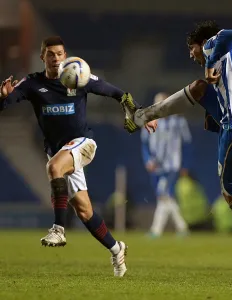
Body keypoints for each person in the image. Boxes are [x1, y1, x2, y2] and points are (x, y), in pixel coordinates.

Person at [121, 20, 232, 283]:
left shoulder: (213, 45)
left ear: (200, 42)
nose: (191, 54)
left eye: (190, 49)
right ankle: (142, 115)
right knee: (199, 88)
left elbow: (231, 33)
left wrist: (209, 59)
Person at [0, 36, 157, 277]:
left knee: (54, 168)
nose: (56, 58)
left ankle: (58, 228)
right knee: (85, 212)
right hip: (60, 151)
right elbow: (7, 103)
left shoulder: (78, 76)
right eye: (50, 54)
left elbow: (117, 93)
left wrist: (140, 113)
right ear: (42, 57)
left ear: (65, 55)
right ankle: (117, 249)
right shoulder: (32, 84)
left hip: (84, 143)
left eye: (60, 53)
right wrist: (3, 97)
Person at [141, 92, 191, 237]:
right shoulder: (149, 120)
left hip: (172, 165)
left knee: (163, 193)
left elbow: (187, 144)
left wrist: (185, 164)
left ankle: (156, 230)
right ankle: (182, 228)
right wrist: (147, 160)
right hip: (156, 165)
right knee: (165, 196)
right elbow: (144, 144)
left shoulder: (179, 122)